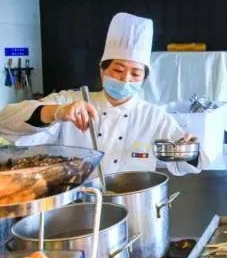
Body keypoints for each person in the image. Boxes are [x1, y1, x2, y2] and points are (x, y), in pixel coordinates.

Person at [0, 12, 205, 175]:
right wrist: (57, 112)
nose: (125, 79)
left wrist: (189, 150)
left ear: (144, 79)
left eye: (135, 73)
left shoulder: (154, 117)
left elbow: (187, 165)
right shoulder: (72, 101)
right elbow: (5, 121)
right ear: (102, 70)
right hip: (77, 204)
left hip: (133, 205)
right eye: (118, 70)